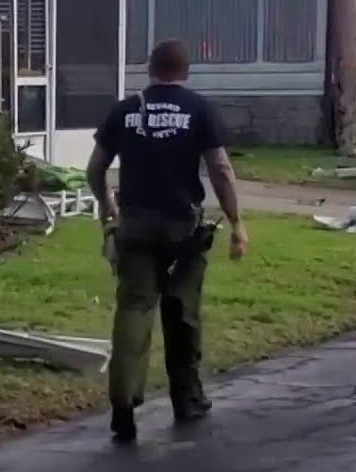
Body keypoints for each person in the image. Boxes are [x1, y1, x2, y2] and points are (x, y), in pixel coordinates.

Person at [85, 38, 249, 444]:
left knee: (134, 311)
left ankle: (123, 405)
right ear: (186, 71)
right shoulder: (198, 109)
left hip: (136, 228)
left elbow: (96, 167)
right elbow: (221, 170)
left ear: (149, 69)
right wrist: (237, 223)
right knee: (182, 312)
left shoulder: (126, 111)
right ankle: (187, 399)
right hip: (182, 231)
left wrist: (109, 210)